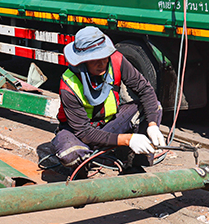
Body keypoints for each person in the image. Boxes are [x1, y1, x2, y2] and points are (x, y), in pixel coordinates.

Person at [50, 26, 165, 171]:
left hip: (108, 124)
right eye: (94, 60)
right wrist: (128, 139)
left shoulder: (116, 60)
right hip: (78, 133)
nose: (102, 63)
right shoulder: (69, 84)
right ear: (82, 61)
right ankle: (85, 167)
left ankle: (133, 165)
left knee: (154, 107)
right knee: (70, 154)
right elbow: (85, 133)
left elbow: (145, 90)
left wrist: (152, 125)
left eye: (104, 57)